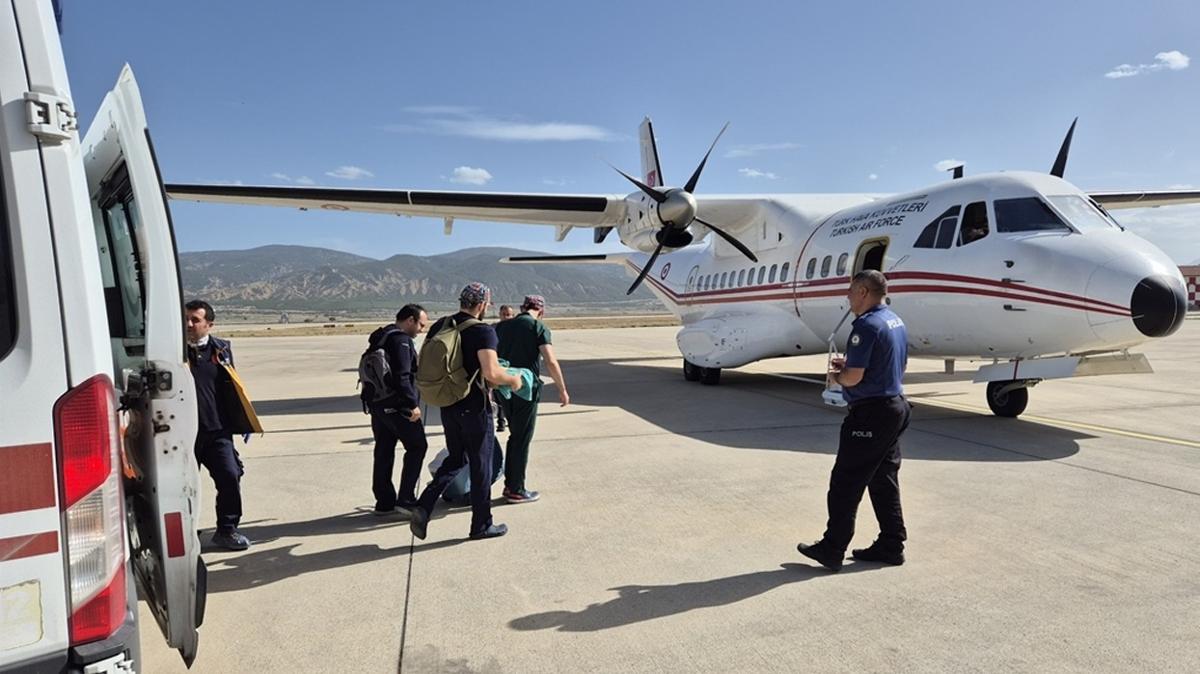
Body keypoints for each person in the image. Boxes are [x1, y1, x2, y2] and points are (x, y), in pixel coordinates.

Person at [798, 270, 911, 572]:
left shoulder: (866, 325)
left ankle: (832, 547)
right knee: (883, 478)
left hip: (871, 414)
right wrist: (852, 366)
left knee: (846, 482)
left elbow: (853, 378)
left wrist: (837, 375)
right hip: (895, 406)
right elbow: (889, 362)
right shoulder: (893, 320)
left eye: (850, 291)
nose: (847, 297)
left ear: (863, 292)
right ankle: (892, 544)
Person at [409, 283, 523, 541]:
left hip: (449, 405)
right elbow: (491, 374)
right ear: (483, 305)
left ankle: (424, 503)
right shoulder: (483, 331)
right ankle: (481, 525)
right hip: (475, 408)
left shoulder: (441, 325)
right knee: (480, 466)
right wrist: (514, 381)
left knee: (456, 458)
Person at [185, 300, 252, 551]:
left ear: (209, 324)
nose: (189, 324)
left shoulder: (221, 350)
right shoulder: (174, 353)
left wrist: (241, 420)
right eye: (186, 320)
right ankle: (183, 530)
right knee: (181, 485)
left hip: (216, 430)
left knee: (230, 475)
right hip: (182, 434)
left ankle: (227, 529)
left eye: (195, 320)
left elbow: (231, 387)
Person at [495, 294, 570, 504]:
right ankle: (516, 490)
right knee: (522, 438)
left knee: (514, 435)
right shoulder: (538, 327)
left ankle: (511, 485)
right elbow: (551, 361)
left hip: (504, 388)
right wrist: (562, 389)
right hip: (525, 390)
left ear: (522, 307)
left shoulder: (501, 327)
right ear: (542, 311)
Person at [367, 304, 429, 516]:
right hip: (397, 406)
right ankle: (406, 498)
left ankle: (384, 501)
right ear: (410, 320)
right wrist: (412, 404)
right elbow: (403, 376)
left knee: (384, 449)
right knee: (418, 446)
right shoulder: (401, 340)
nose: (421, 330)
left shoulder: (381, 336)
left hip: (377, 405)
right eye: (421, 324)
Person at [493, 304, 516, 432]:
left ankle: (511, 419)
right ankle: (501, 421)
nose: (506, 317)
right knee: (499, 395)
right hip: (498, 365)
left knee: (512, 394)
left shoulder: (516, 330)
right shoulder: (494, 329)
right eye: (504, 314)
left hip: (512, 367)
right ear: (499, 315)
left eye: (509, 315)